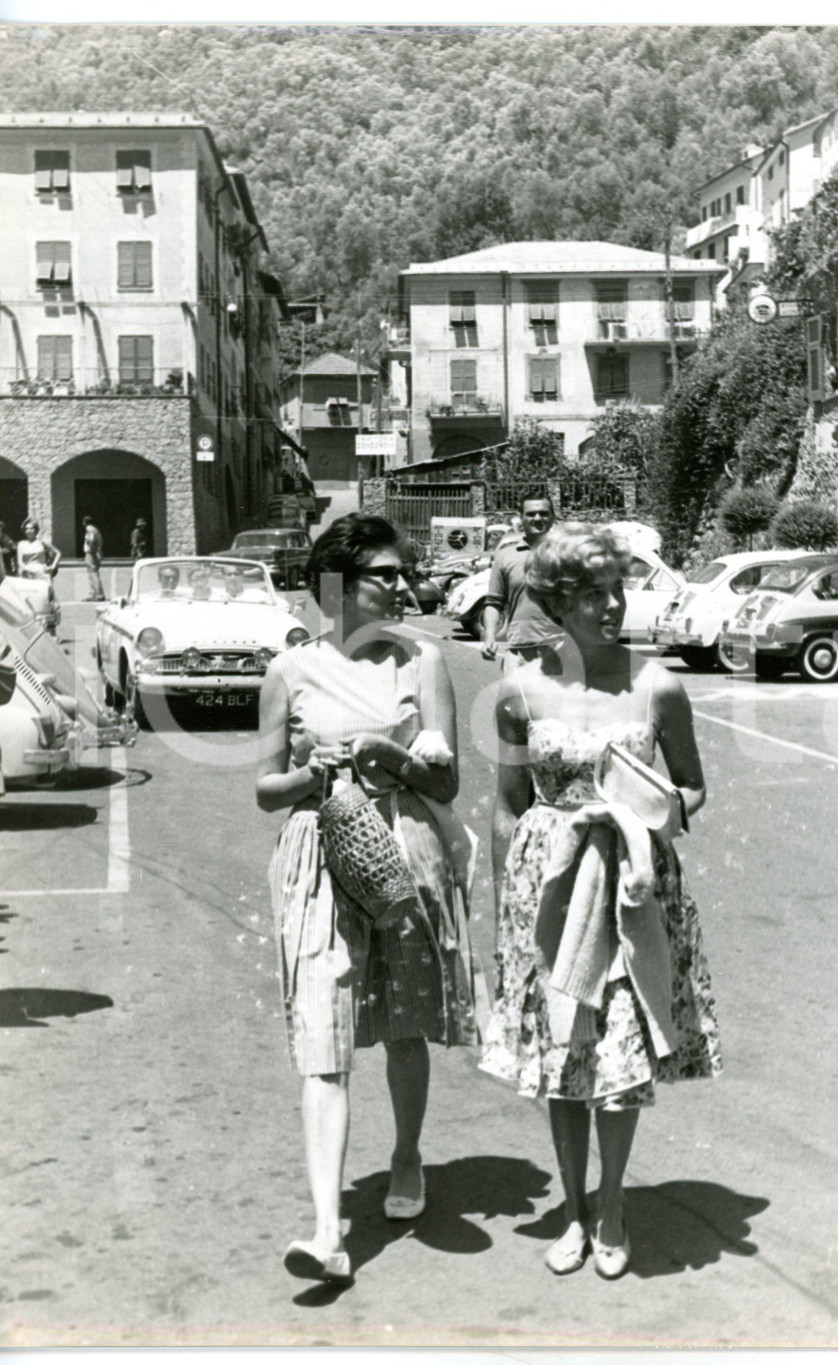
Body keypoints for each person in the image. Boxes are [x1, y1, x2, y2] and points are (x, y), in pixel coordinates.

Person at [481, 523, 720, 1280]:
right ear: (557, 601)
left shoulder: (658, 685)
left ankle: (612, 1204)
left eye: (618, 588)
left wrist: (646, 810)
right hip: (550, 885)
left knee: (617, 1053)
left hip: (631, 885)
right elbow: (508, 804)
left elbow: (693, 785)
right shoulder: (518, 691)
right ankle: (573, 1209)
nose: (613, 604)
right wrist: (507, 910)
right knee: (562, 1055)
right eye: (592, 593)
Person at [256, 512, 478, 1284]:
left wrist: (392, 756)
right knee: (323, 1027)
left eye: (401, 570)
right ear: (340, 584)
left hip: (403, 856)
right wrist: (310, 776)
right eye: (386, 572)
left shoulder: (425, 661)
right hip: (319, 856)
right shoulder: (290, 671)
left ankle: (408, 1156)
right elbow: (265, 787)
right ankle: (326, 1230)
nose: (403, 583)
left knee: (403, 1023)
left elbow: (448, 781)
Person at [481, 492, 561, 669]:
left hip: (561, 651)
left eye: (544, 513)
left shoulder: (569, 554)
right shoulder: (505, 555)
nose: (537, 518)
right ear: (521, 518)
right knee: (515, 698)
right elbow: (494, 602)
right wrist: (489, 637)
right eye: (531, 514)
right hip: (518, 653)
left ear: (553, 517)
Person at [82, 516, 105, 602]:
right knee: (93, 573)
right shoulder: (95, 530)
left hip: (91, 553)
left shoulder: (90, 530)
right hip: (94, 553)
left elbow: (91, 541)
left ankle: (98, 594)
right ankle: (94, 594)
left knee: (93, 574)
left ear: (85, 522)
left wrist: (91, 550)